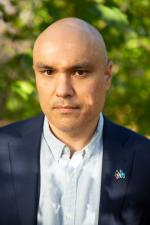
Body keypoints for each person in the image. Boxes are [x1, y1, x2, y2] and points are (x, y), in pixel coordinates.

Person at [0, 17, 150, 225]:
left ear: (107, 76)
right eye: (48, 72)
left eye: (80, 72)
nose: (63, 91)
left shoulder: (144, 159)